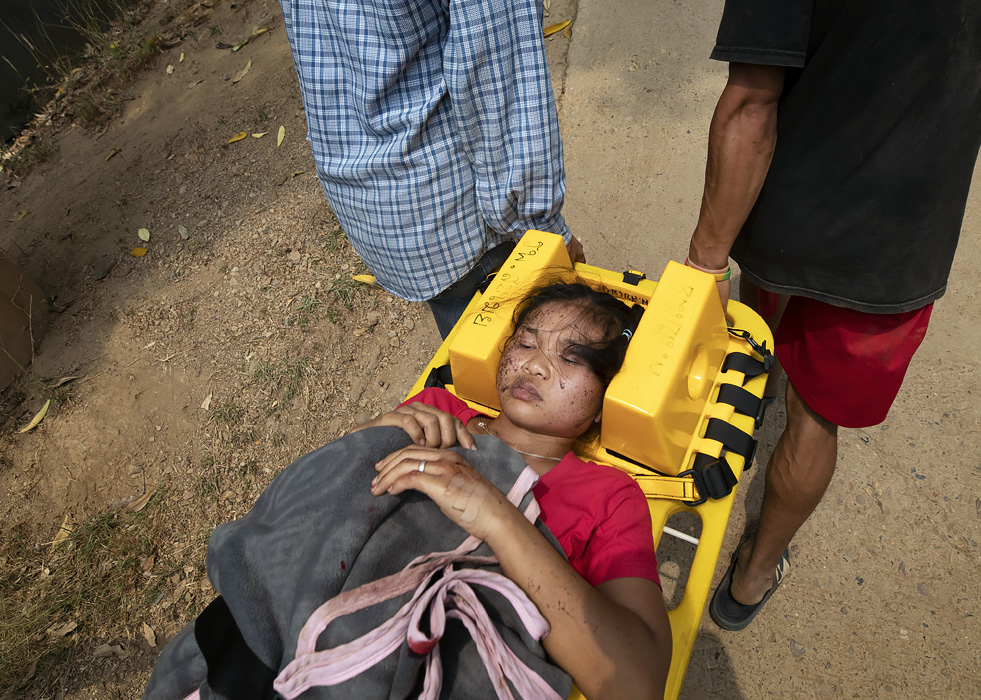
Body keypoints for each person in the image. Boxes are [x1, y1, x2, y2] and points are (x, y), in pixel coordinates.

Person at [144, 281, 671, 700]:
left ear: (608, 394)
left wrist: (495, 514)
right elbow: (312, 513)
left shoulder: (609, 495)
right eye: (526, 341)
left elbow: (634, 682)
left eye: (571, 358)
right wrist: (372, 433)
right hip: (284, 623)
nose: (534, 363)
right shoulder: (437, 412)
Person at [684, 0, 981, 630]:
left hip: (784, 215)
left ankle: (750, 402)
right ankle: (754, 576)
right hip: (899, 245)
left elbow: (751, 104)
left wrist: (702, 267)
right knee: (815, 423)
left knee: (759, 331)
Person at [278, 0, 584, 337]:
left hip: (374, 202)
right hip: (460, 210)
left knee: (478, 366)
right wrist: (543, 232)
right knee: (540, 370)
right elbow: (496, 67)